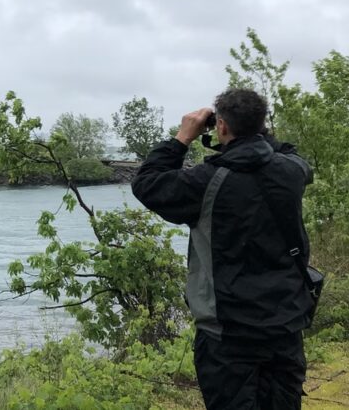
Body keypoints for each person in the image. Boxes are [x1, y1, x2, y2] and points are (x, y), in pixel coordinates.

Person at [131, 88, 313, 409]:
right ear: (261, 126)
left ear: (221, 127)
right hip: (284, 324)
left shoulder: (206, 182)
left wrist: (181, 139)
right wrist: (255, 132)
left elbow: (147, 183)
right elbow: (286, 151)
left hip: (228, 335)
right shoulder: (292, 171)